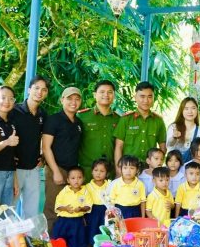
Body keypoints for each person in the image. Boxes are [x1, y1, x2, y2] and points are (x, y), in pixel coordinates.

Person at [42, 86, 84, 232]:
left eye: (77, 99)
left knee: (70, 209)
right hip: (57, 169)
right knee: (52, 208)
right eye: (69, 98)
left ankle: (65, 246)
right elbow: (46, 147)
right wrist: (55, 171)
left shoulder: (79, 123)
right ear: (62, 100)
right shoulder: (54, 120)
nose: (73, 102)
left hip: (72, 172)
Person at [10, 75, 48, 220]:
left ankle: (29, 242)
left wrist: (43, 157)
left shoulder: (43, 114)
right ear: (29, 89)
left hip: (33, 168)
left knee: (32, 212)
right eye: (37, 88)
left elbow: (45, 138)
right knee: (9, 209)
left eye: (44, 90)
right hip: (15, 168)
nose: (40, 92)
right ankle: (6, 242)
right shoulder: (15, 110)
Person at [114, 82, 167, 169]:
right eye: (142, 96)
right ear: (135, 98)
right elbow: (118, 146)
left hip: (149, 170)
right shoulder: (126, 119)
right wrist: (119, 169)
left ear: (154, 98)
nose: (146, 101)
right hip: (129, 168)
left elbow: (163, 147)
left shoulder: (158, 121)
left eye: (150, 97)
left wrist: (158, 167)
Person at [77, 80, 119, 180]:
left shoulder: (119, 119)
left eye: (110, 92)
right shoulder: (82, 116)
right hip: (87, 172)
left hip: (110, 173)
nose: (106, 95)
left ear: (114, 96)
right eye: (102, 92)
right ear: (95, 95)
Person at [52, 166, 92, 247]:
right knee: (59, 242)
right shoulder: (64, 191)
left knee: (75, 244)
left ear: (83, 179)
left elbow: (88, 205)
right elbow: (58, 205)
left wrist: (81, 209)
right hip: (63, 221)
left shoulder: (85, 191)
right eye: (73, 178)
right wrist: (65, 208)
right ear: (68, 180)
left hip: (77, 222)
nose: (76, 180)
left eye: (79, 178)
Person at [166, 97, 200, 162]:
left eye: (193, 108)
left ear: (197, 110)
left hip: (193, 168)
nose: (190, 111)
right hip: (174, 167)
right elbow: (169, 145)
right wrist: (174, 137)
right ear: (181, 111)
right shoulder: (173, 127)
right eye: (186, 109)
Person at [85, 158, 110, 247]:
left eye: (102, 171)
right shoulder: (87, 186)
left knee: (105, 237)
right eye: (96, 170)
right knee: (90, 237)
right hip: (92, 213)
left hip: (105, 212)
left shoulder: (110, 185)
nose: (98, 173)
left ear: (107, 173)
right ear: (91, 171)